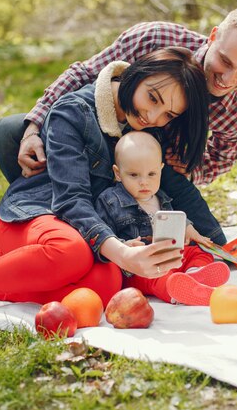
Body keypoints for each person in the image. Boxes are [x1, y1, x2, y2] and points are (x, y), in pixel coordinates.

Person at [0, 47, 214, 325]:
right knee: (73, 253)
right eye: (153, 98)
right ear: (135, 74)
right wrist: (118, 250)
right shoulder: (73, 110)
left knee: (107, 282)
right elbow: (71, 201)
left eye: (168, 114)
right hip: (35, 219)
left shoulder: (146, 131)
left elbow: (155, 190)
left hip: (84, 235)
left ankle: (0, 282)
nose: (153, 115)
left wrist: (202, 235)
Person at [0, 7, 237, 243]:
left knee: (209, 235)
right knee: (9, 132)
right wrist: (34, 126)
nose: (228, 78)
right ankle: (44, 217)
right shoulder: (155, 38)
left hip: (156, 165)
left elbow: (221, 158)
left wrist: (189, 166)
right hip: (100, 134)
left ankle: (123, 222)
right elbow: (86, 72)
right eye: (224, 61)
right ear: (213, 37)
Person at [95, 131, 230, 306]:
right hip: (140, 266)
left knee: (198, 251)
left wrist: (189, 230)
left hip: (169, 255)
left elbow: (174, 217)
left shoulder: (161, 196)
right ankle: (177, 290)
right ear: (118, 173)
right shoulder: (109, 200)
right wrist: (123, 246)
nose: (144, 182)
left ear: (160, 169)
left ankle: (195, 273)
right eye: (134, 175)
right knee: (156, 277)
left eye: (151, 174)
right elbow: (104, 235)